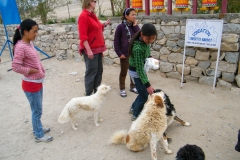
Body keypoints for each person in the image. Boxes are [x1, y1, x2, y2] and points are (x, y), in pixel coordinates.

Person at [12, 19, 53, 142]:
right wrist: (32, 70)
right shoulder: (20, 47)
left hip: (37, 83)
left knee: (38, 109)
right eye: (34, 32)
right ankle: (39, 135)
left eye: (36, 31)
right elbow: (15, 67)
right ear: (25, 31)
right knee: (37, 111)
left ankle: (38, 128)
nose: (36, 34)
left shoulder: (29, 43)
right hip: (31, 84)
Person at [78, 0, 111, 96]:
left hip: (98, 48)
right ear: (88, 2)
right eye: (93, 1)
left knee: (99, 71)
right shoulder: (83, 16)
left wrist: (105, 24)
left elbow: (97, 26)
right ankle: (88, 95)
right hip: (91, 49)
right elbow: (83, 36)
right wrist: (88, 50)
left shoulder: (92, 15)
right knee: (91, 72)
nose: (95, 2)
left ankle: (96, 93)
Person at [128, 23, 157, 121]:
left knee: (142, 93)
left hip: (141, 70)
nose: (150, 41)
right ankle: (136, 115)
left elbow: (147, 52)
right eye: (148, 39)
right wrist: (148, 85)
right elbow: (139, 70)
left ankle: (133, 108)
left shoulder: (145, 43)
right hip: (136, 72)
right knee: (144, 95)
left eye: (152, 39)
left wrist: (150, 58)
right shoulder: (137, 49)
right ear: (141, 35)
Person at [114, 8, 140, 97]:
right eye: (132, 15)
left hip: (134, 53)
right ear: (126, 16)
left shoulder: (134, 26)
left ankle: (133, 86)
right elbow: (116, 41)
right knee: (124, 72)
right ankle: (122, 88)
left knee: (133, 71)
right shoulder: (120, 27)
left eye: (135, 14)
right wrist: (119, 53)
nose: (134, 16)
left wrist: (136, 26)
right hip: (124, 54)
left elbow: (140, 36)